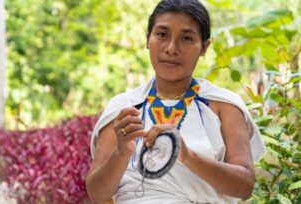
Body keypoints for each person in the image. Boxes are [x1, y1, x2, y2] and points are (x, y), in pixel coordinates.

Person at [86, 0, 266, 203]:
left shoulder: (223, 105)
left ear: (204, 47)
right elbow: (97, 194)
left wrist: (187, 156)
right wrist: (121, 151)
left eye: (187, 38)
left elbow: (244, 186)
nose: (172, 48)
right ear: (148, 40)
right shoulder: (124, 109)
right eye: (162, 35)